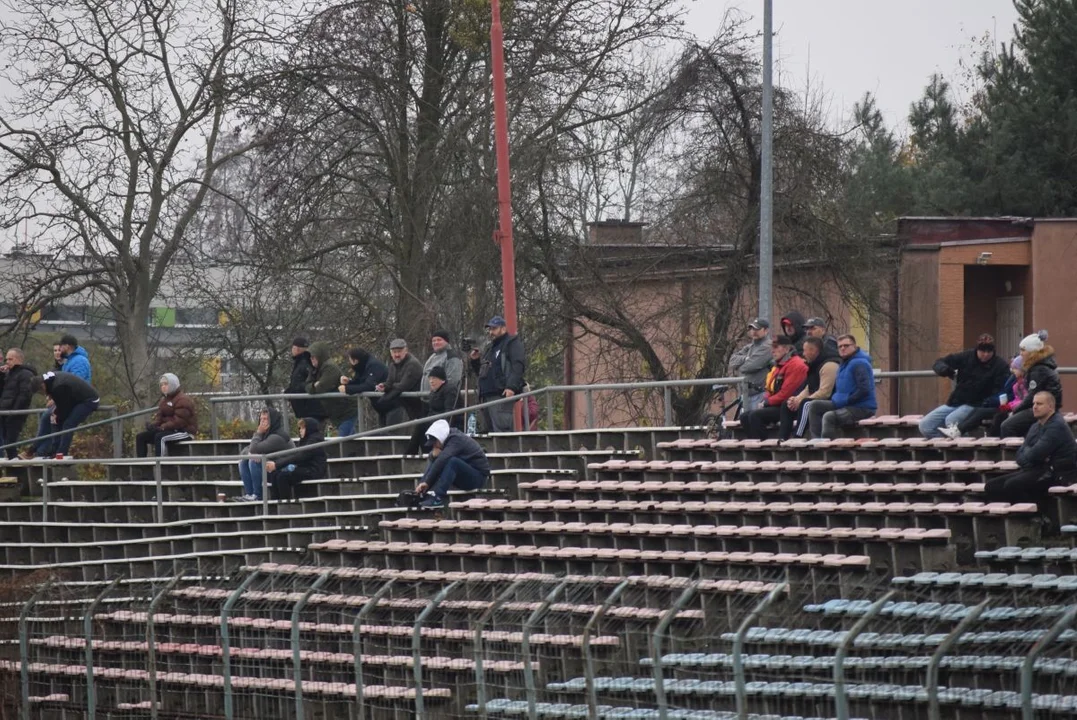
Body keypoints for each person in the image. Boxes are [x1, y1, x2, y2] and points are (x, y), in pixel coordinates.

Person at [984, 391, 1076, 507]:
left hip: (1057, 473)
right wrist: (1029, 455)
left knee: (1013, 485)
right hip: (1036, 468)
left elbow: (1035, 454)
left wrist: (1029, 454)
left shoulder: (1056, 426)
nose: (1035, 407)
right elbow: (1020, 455)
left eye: (1039, 404)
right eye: (1034, 404)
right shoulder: (1035, 426)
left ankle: (1036, 518)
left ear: (1051, 406)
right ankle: (1016, 517)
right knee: (992, 486)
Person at [920, 334, 1009, 439]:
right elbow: (939, 362)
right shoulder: (967, 357)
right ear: (977, 349)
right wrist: (944, 369)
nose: (985, 355)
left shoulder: (1000, 365)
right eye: (982, 351)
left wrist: (987, 402)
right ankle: (947, 446)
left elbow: (1000, 390)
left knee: (952, 420)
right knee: (925, 426)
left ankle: (963, 449)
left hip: (977, 404)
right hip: (956, 401)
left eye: (989, 352)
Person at [806, 334, 877, 439]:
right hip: (845, 403)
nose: (843, 348)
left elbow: (864, 389)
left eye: (846, 345)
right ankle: (816, 441)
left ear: (854, 346)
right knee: (814, 405)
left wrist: (847, 399)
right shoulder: (844, 363)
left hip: (862, 407)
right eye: (840, 346)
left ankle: (828, 449)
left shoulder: (859, 363)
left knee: (829, 417)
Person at [740, 336, 808, 440]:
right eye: (772, 347)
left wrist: (766, 403)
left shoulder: (796, 364)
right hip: (777, 405)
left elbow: (786, 393)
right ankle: (755, 446)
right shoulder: (779, 365)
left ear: (786, 349)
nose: (772, 350)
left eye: (776, 347)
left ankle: (764, 449)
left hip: (790, 407)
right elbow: (769, 388)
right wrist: (765, 400)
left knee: (755, 416)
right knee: (744, 417)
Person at [413, 419, 490, 509]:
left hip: (479, 477)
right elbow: (436, 461)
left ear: (440, 437)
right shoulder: (445, 440)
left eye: (435, 443)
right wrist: (423, 483)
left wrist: (427, 482)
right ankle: (422, 494)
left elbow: (442, 460)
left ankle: (438, 498)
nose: (434, 446)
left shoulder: (456, 439)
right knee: (439, 459)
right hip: (465, 475)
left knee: (451, 461)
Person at [34, 336, 93, 454]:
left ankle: (45, 452)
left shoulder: (79, 361)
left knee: (53, 419)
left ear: (67, 346)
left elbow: (75, 384)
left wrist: (56, 400)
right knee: (52, 420)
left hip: (77, 400)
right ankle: (47, 452)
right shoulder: (69, 361)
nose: (59, 351)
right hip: (69, 399)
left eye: (60, 348)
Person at [469, 315, 527, 432]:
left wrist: (511, 387)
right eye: (490, 329)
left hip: (500, 394)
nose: (491, 332)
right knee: (489, 433)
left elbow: (518, 365)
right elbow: (481, 373)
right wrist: (475, 361)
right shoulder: (490, 348)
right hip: (486, 396)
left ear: (503, 329)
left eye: (494, 328)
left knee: (502, 432)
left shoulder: (511, 343)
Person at [24, 371, 100, 458]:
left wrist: (57, 416)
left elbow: (64, 410)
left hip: (89, 400)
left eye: (40, 391)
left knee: (68, 424)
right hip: (74, 399)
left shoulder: (58, 387)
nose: (42, 394)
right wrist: (56, 417)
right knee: (54, 419)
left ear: (43, 385)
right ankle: (54, 451)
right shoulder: (50, 381)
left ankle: (61, 453)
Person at [1001, 332, 1062, 438]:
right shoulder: (1042, 366)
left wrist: (1015, 410)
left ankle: (1012, 452)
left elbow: (1032, 396)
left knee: (1007, 426)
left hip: (1045, 408)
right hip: (1048, 406)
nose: (1020, 353)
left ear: (1032, 352)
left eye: (1023, 350)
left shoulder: (1038, 369)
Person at [953, 355, 1028, 438]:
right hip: (1007, 405)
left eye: (1015, 368)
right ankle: (958, 429)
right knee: (978, 410)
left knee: (993, 415)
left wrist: (1009, 405)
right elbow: (1015, 397)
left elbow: (1021, 398)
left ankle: (960, 431)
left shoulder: (1022, 382)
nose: (1012, 371)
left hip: (1011, 408)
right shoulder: (1016, 381)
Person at [783, 337, 840, 439]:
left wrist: (802, 401)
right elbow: (809, 387)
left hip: (831, 401)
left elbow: (825, 392)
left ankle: (798, 436)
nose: (803, 354)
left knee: (807, 403)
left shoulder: (829, 365)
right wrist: (796, 399)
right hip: (819, 399)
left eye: (805, 351)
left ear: (813, 351)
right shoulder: (815, 365)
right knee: (786, 405)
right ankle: (783, 437)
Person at [236, 407, 293, 501]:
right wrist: (251, 453)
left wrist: (258, 433)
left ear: (272, 421)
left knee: (254, 462)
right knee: (243, 461)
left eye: (265, 419)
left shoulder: (277, 436)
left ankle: (257, 495)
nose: (262, 422)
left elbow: (254, 448)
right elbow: (246, 451)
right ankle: (249, 494)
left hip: (284, 468)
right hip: (271, 466)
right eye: (261, 419)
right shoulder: (265, 434)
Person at [135, 373, 198, 457]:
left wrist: (162, 427)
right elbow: (159, 418)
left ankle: (160, 465)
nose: (163, 387)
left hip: (184, 431)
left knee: (160, 437)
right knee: (141, 437)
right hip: (169, 430)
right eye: (161, 385)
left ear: (173, 385)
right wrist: (153, 426)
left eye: (166, 384)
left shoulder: (183, 399)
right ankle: (142, 467)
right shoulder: (164, 401)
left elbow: (179, 422)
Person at [266, 417, 328, 501]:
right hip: (304, 467)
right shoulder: (305, 440)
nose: (300, 430)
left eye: (303, 428)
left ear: (309, 428)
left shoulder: (315, 440)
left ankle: (286, 504)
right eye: (300, 428)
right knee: (275, 474)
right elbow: (295, 455)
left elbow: (301, 456)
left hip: (313, 470)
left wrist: (277, 464)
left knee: (283, 476)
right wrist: (278, 464)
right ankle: (276, 502)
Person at [405, 365, 463, 454]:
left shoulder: (450, 390)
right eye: (430, 378)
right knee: (421, 424)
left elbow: (450, 412)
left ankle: (411, 453)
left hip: (450, 423)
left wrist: (434, 422)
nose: (431, 381)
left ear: (442, 379)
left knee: (422, 424)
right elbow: (431, 411)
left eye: (434, 378)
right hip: (436, 421)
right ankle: (420, 452)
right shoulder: (433, 393)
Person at [306, 342, 355, 436]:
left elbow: (320, 388)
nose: (311, 359)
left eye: (313, 357)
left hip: (346, 410)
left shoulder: (330, 367)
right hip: (337, 412)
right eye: (310, 357)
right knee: (349, 440)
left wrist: (314, 386)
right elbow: (307, 386)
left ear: (319, 356)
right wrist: (313, 385)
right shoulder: (314, 369)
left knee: (344, 441)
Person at [373, 339, 424, 427]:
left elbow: (403, 386)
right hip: (405, 405)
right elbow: (390, 382)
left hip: (418, 406)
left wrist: (382, 401)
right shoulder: (393, 365)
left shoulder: (413, 364)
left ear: (406, 351)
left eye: (399, 351)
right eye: (394, 352)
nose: (397, 355)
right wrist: (384, 386)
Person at [729, 318, 772, 412]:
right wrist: (746, 359)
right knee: (743, 425)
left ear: (766, 330)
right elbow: (732, 361)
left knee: (755, 424)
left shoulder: (768, 346)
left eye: (757, 329)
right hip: (745, 396)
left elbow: (749, 367)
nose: (754, 331)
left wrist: (740, 365)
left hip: (759, 395)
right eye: (752, 329)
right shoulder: (749, 347)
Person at [338, 348, 389, 427]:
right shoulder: (362, 366)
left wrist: (347, 389)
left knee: (395, 435)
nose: (350, 363)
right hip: (382, 408)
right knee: (385, 437)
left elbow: (368, 386)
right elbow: (359, 381)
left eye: (350, 360)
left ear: (355, 361)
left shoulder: (374, 365)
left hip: (393, 406)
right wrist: (349, 382)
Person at [0, 349, 36, 459]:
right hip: (4, 412)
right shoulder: (8, 374)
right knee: (6, 442)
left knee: (11, 442)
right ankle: (11, 466)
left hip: (15, 413)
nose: (7, 361)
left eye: (10, 359)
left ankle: (15, 467)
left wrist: (14, 412)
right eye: (6, 359)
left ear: (19, 360)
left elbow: (24, 396)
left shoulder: (26, 374)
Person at [285, 336, 323, 423]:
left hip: (310, 409)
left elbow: (306, 383)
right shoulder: (304, 362)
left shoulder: (304, 363)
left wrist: (292, 391)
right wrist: (290, 390)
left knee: (311, 434)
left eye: (292, 348)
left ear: (297, 349)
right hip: (307, 409)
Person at [421, 330, 463, 405]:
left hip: (443, 401)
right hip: (429, 400)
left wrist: (438, 394)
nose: (436, 342)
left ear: (446, 341)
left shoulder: (452, 357)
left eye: (439, 340)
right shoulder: (433, 356)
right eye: (433, 340)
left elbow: (453, 381)